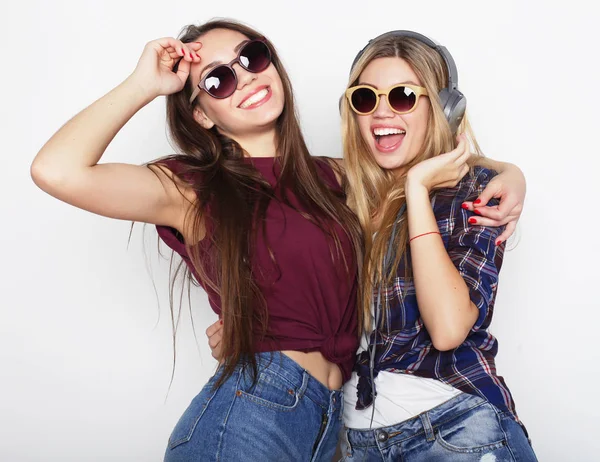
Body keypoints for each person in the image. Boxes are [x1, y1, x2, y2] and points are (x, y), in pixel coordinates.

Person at [31, 18, 526, 461]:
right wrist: (144, 84)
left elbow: (422, 164)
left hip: (336, 429)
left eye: (252, 57)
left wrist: (509, 172)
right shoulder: (188, 187)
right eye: (218, 80)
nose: (244, 78)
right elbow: (57, 171)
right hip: (253, 411)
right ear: (202, 114)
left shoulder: (338, 179)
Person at [337, 31, 538, 461]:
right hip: (356, 443)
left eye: (405, 96)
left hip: (454, 429)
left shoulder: (477, 193)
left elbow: (448, 329)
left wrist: (416, 189)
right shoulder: (339, 199)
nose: (382, 112)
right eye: (366, 98)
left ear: (446, 110)